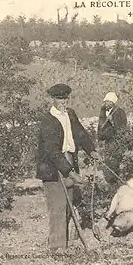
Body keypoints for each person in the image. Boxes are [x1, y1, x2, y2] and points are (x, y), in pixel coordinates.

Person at [36, 83, 100, 251]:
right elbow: (52, 152)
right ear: (53, 99)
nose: (63, 101)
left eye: (65, 98)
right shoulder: (48, 121)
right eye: (59, 98)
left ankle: (64, 242)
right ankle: (57, 247)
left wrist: (91, 150)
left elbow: (80, 133)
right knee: (58, 206)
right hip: (53, 168)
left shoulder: (70, 114)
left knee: (68, 206)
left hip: (70, 161)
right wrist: (71, 173)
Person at [96, 92, 128, 184]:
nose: (105, 104)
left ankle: (114, 181)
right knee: (108, 160)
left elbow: (121, 128)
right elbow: (100, 125)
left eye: (108, 102)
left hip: (116, 141)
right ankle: (111, 180)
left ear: (113, 102)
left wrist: (112, 121)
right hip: (108, 141)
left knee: (114, 161)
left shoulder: (119, 111)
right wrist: (100, 138)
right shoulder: (103, 111)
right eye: (105, 102)